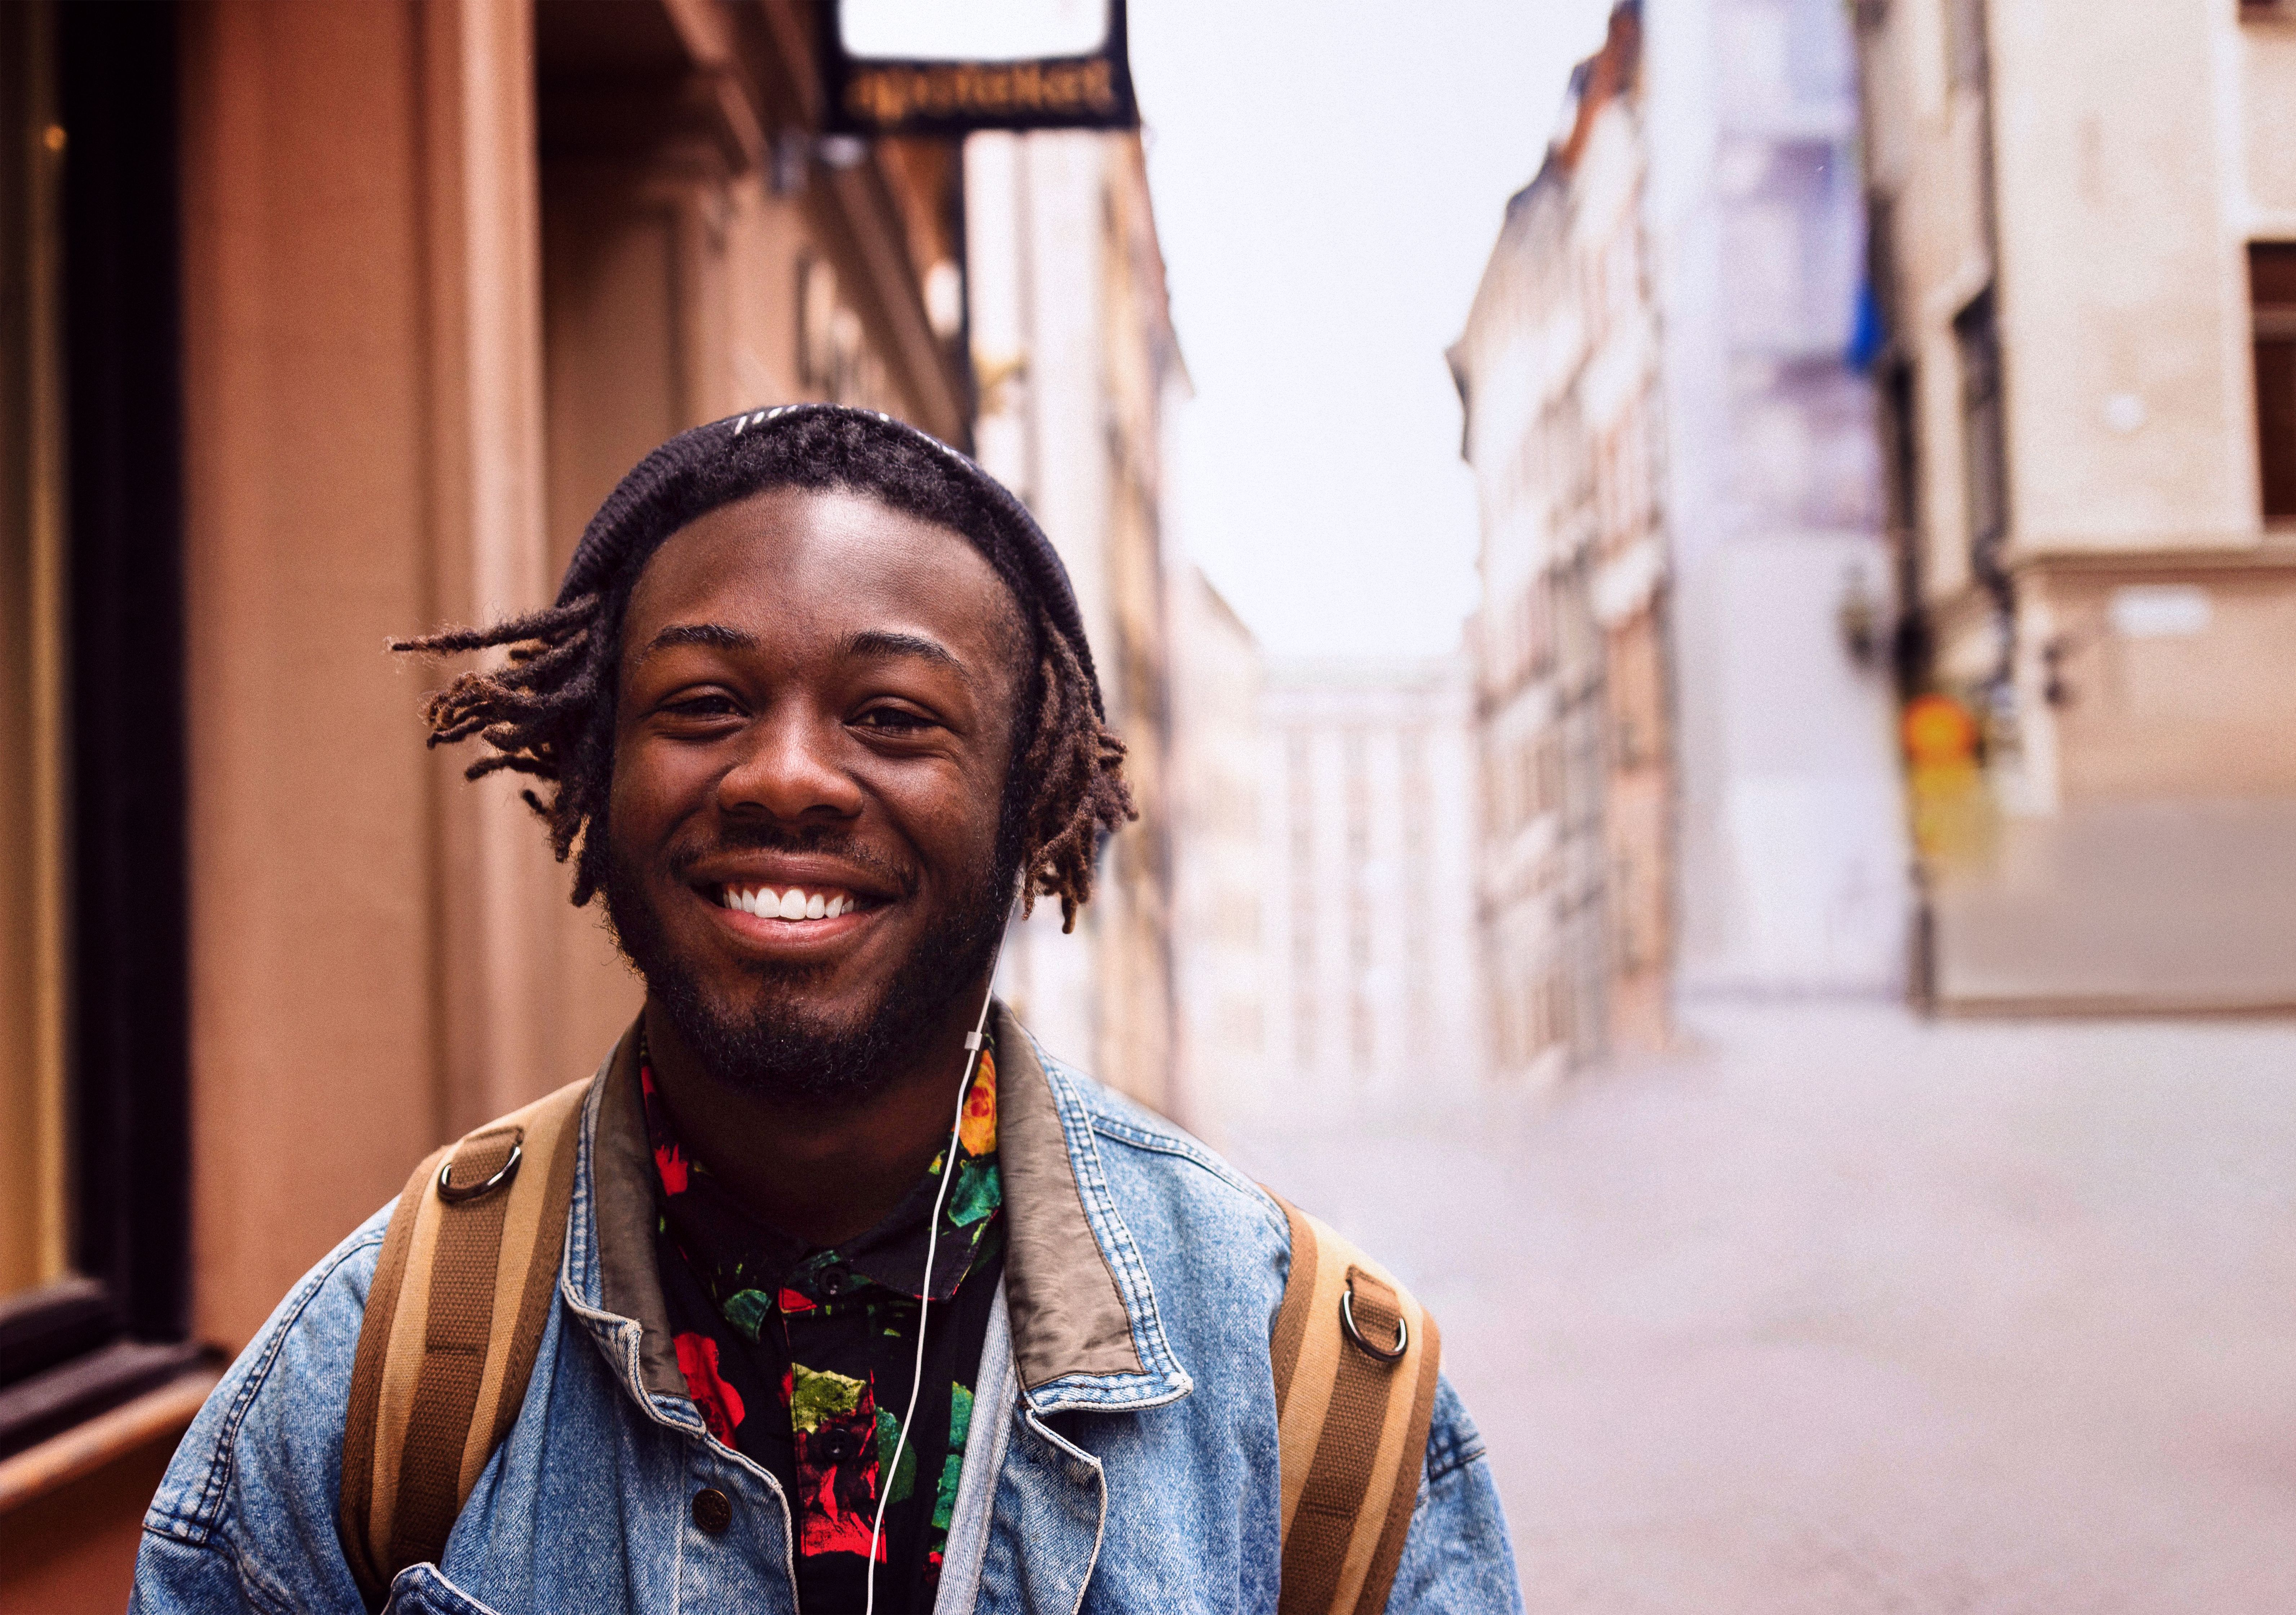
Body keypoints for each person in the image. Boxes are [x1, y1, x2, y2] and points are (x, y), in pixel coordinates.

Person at [130, 406, 1521, 1614]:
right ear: (597, 772)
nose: (787, 775)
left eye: (895, 717)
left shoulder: (1313, 1403)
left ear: (1028, 796)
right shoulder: (381, 1376)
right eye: (706, 703)